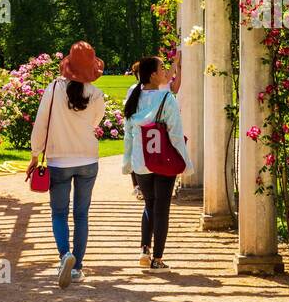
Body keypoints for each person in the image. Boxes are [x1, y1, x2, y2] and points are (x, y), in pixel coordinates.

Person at [27, 42, 106, 288]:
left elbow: (41, 124)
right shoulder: (95, 94)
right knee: (82, 214)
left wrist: (34, 154)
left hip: (59, 160)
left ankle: (65, 256)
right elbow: (96, 121)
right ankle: (77, 268)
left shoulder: (53, 89)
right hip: (87, 159)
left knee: (59, 213)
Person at [121, 55, 194, 271]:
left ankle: (144, 249)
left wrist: (127, 163)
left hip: (141, 161)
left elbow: (128, 135)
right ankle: (158, 259)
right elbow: (175, 134)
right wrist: (184, 162)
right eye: (162, 68)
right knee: (162, 208)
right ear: (153, 74)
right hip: (163, 159)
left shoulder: (133, 96)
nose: (165, 71)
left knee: (149, 206)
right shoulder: (166, 98)